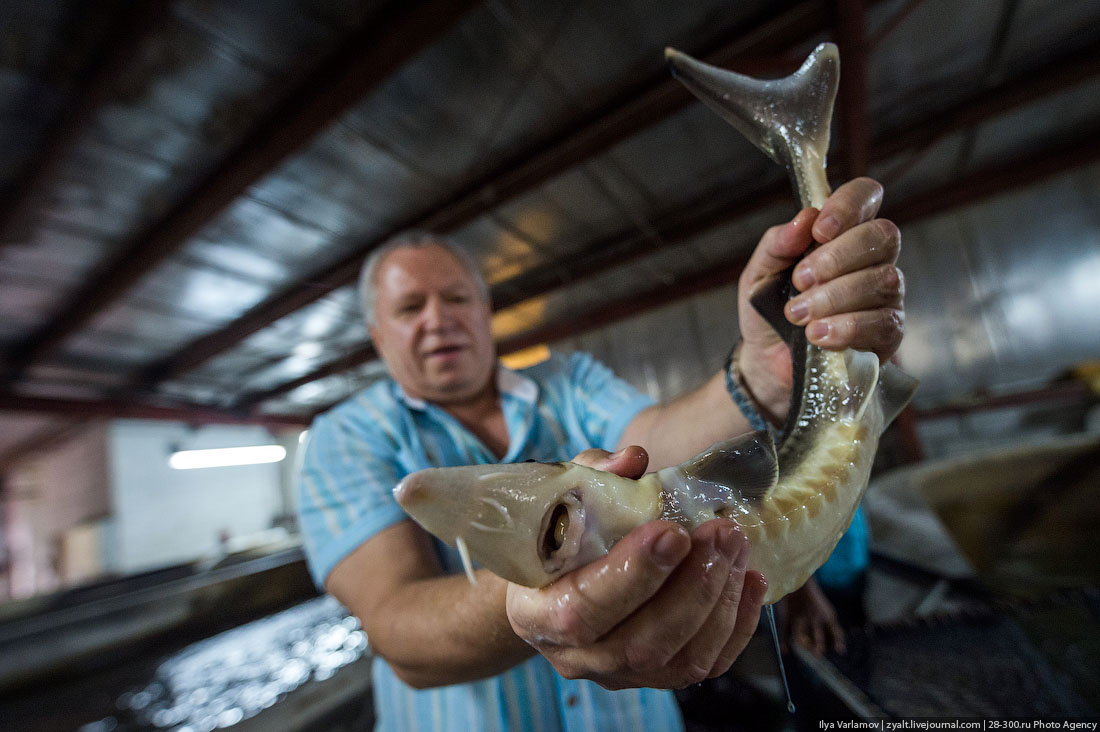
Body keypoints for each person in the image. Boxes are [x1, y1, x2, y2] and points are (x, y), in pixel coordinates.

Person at [297, 177, 904, 731]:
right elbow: (396, 628)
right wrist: (533, 587)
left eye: (456, 298)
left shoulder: (570, 380)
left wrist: (764, 372)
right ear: (378, 335)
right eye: (410, 308)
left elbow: (656, 446)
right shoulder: (342, 437)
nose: (438, 320)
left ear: (484, 312)